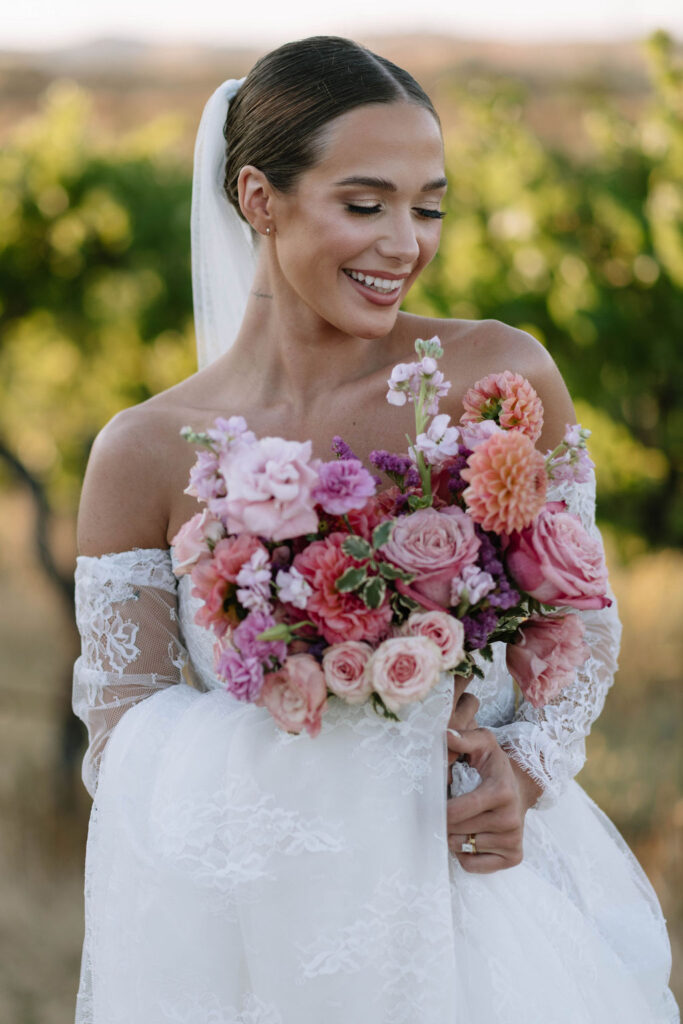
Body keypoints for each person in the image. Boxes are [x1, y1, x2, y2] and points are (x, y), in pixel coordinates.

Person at [71, 36, 679, 1023]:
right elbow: (121, 742)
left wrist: (521, 773)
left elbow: (578, 622)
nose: (404, 242)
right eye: (365, 204)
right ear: (258, 198)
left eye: (426, 205)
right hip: (262, 935)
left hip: (476, 901)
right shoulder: (140, 451)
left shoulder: (499, 377)